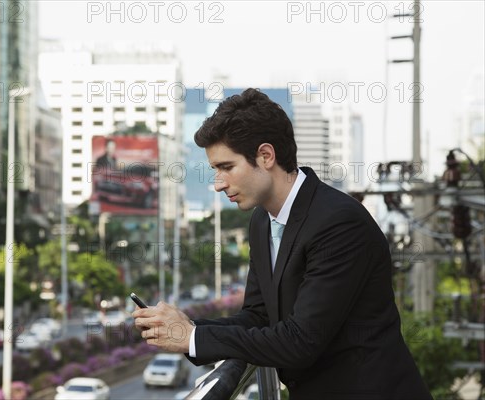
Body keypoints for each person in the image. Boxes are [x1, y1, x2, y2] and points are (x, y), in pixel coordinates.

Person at [133, 88, 432, 399]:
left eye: (226, 167)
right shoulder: (262, 221)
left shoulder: (339, 224)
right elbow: (259, 317)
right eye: (215, 170)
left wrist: (193, 337)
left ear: (266, 156)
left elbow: (300, 341)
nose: (218, 183)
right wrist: (186, 325)